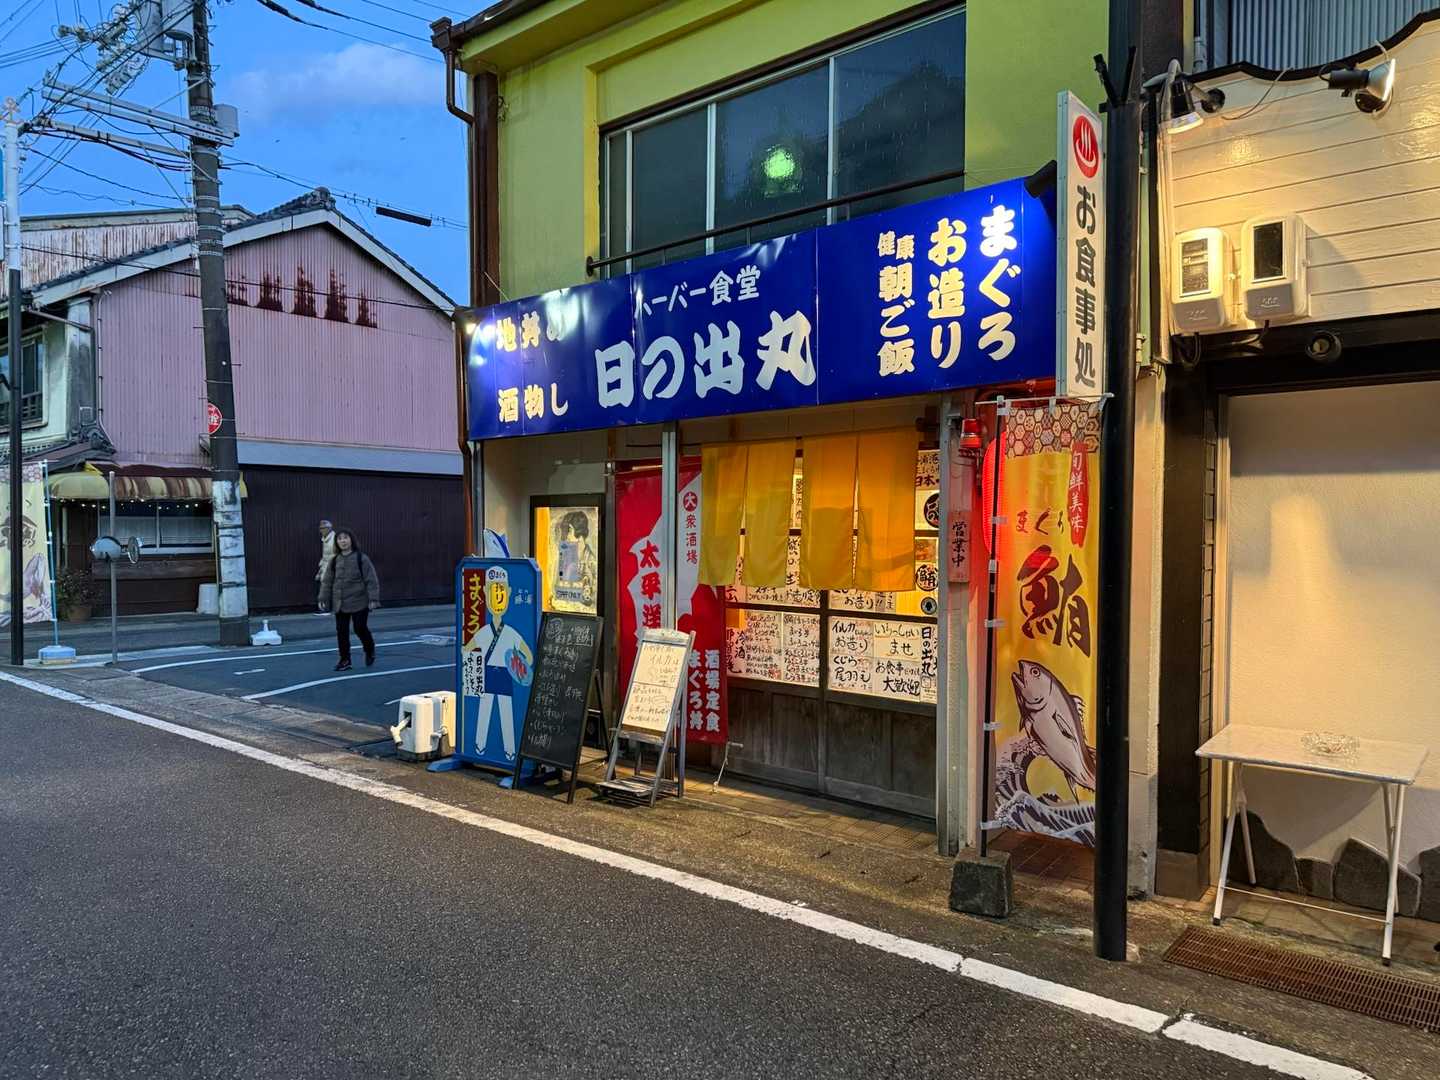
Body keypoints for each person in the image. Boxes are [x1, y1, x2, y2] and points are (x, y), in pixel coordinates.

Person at [319, 528, 380, 671]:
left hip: (359, 601)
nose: (343, 541)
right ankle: (345, 660)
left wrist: (373, 599)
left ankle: (369, 649)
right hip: (340, 602)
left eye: (345, 538)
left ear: (351, 540)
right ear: (337, 542)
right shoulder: (334, 560)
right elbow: (327, 581)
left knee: (360, 628)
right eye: (340, 539)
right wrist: (323, 597)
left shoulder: (361, 558)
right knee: (342, 632)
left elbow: (371, 579)